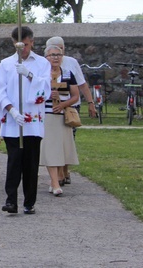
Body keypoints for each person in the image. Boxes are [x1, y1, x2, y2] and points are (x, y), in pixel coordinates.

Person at [0, 26, 51, 215]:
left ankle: (29, 201)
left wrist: (29, 74)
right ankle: (11, 200)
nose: (22, 50)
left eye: (25, 45)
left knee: (30, 163)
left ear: (32, 42)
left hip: (32, 121)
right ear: (13, 43)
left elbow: (45, 89)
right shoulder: (5, 64)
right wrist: (10, 110)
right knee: (14, 162)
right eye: (19, 46)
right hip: (13, 121)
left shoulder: (42, 63)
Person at [45, 35, 95, 185]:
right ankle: (58, 175)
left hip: (69, 109)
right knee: (53, 143)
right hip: (49, 110)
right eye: (54, 52)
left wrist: (90, 102)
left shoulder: (71, 64)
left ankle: (64, 170)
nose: (58, 55)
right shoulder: (43, 69)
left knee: (67, 141)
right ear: (47, 54)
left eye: (60, 50)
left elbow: (81, 85)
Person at [42, 44, 80, 196]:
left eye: (58, 55)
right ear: (46, 58)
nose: (55, 58)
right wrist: (47, 95)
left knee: (61, 150)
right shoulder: (41, 74)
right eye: (52, 55)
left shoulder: (68, 74)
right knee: (51, 150)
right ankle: (56, 183)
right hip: (47, 116)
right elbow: (33, 93)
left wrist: (63, 104)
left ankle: (54, 181)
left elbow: (76, 96)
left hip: (62, 117)